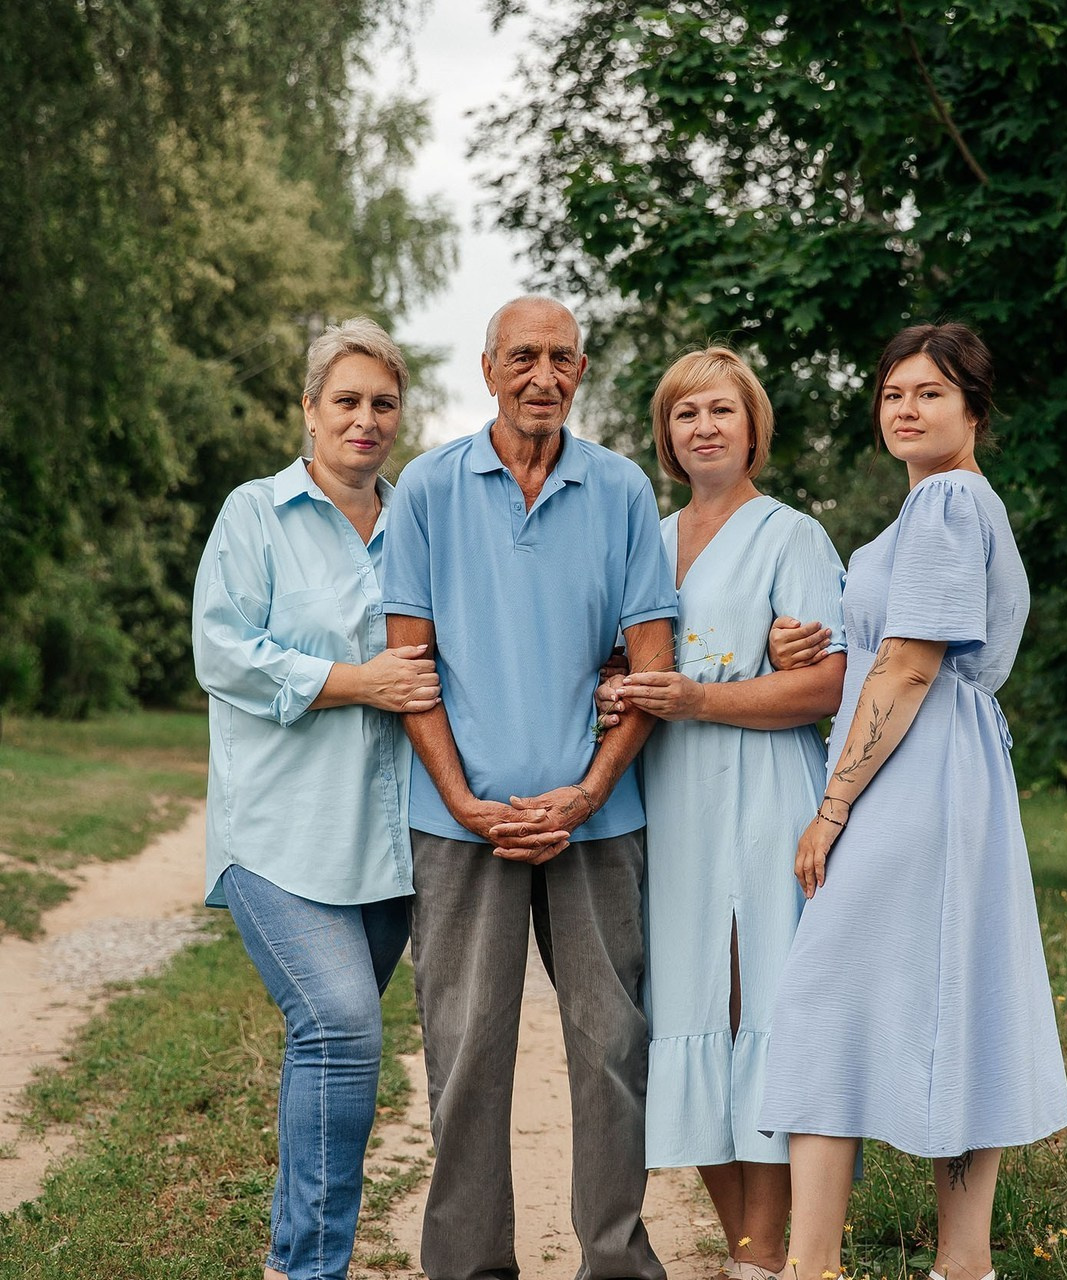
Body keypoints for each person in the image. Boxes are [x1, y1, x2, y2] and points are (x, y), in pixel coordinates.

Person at [759, 323, 1067, 1280]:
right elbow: (879, 659)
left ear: (973, 410)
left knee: (819, 1002)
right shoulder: (957, 506)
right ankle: (962, 1264)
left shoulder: (944, 501)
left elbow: (908, 666)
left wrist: (833, 805)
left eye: (930, 393)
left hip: (918, 772)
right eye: (893, 393)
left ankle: (811, 1268)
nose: (906, 408)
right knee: (955, 997)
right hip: (954, 771)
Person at [380, 295, 679, 1280]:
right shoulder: (426, 487)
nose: (540, 374)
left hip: (596, 823)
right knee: (465, 1052)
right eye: (522, 356)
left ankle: (614, 1260)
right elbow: (409, 666)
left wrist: (587, 792)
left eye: (559, 357)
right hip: (459, 825)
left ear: (582, 371)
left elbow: (647, 669)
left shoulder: (623, 488)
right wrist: (465, 799)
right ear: (487, 368)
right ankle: (466, 1264)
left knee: (608, 1050)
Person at [192, 317, 441, 1280]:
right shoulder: (256, 513)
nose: (365, 420)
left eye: (384, 403)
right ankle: (311, 1269)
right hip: (278, 836)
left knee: (326, 1053)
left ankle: (290, 1256)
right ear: (309, 408)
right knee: (341, 1028)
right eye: (346, 400)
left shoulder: (420, 521)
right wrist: (358, 680)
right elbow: (223, 652)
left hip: (391, 848)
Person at [595, 348, 846, 1279]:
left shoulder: (793, 536)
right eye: (685, 413)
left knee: (759, 1008)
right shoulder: (646, 540)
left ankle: (768, 1257)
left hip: (765, 793)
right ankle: (752, 1256)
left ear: (754, 428)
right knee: (689, 1011)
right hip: (671, 802)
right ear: (664, 434)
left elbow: (824, 686)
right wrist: (611, 694)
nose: (704, 427)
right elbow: (618, 667)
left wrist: (698, 698)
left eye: (722, 411)